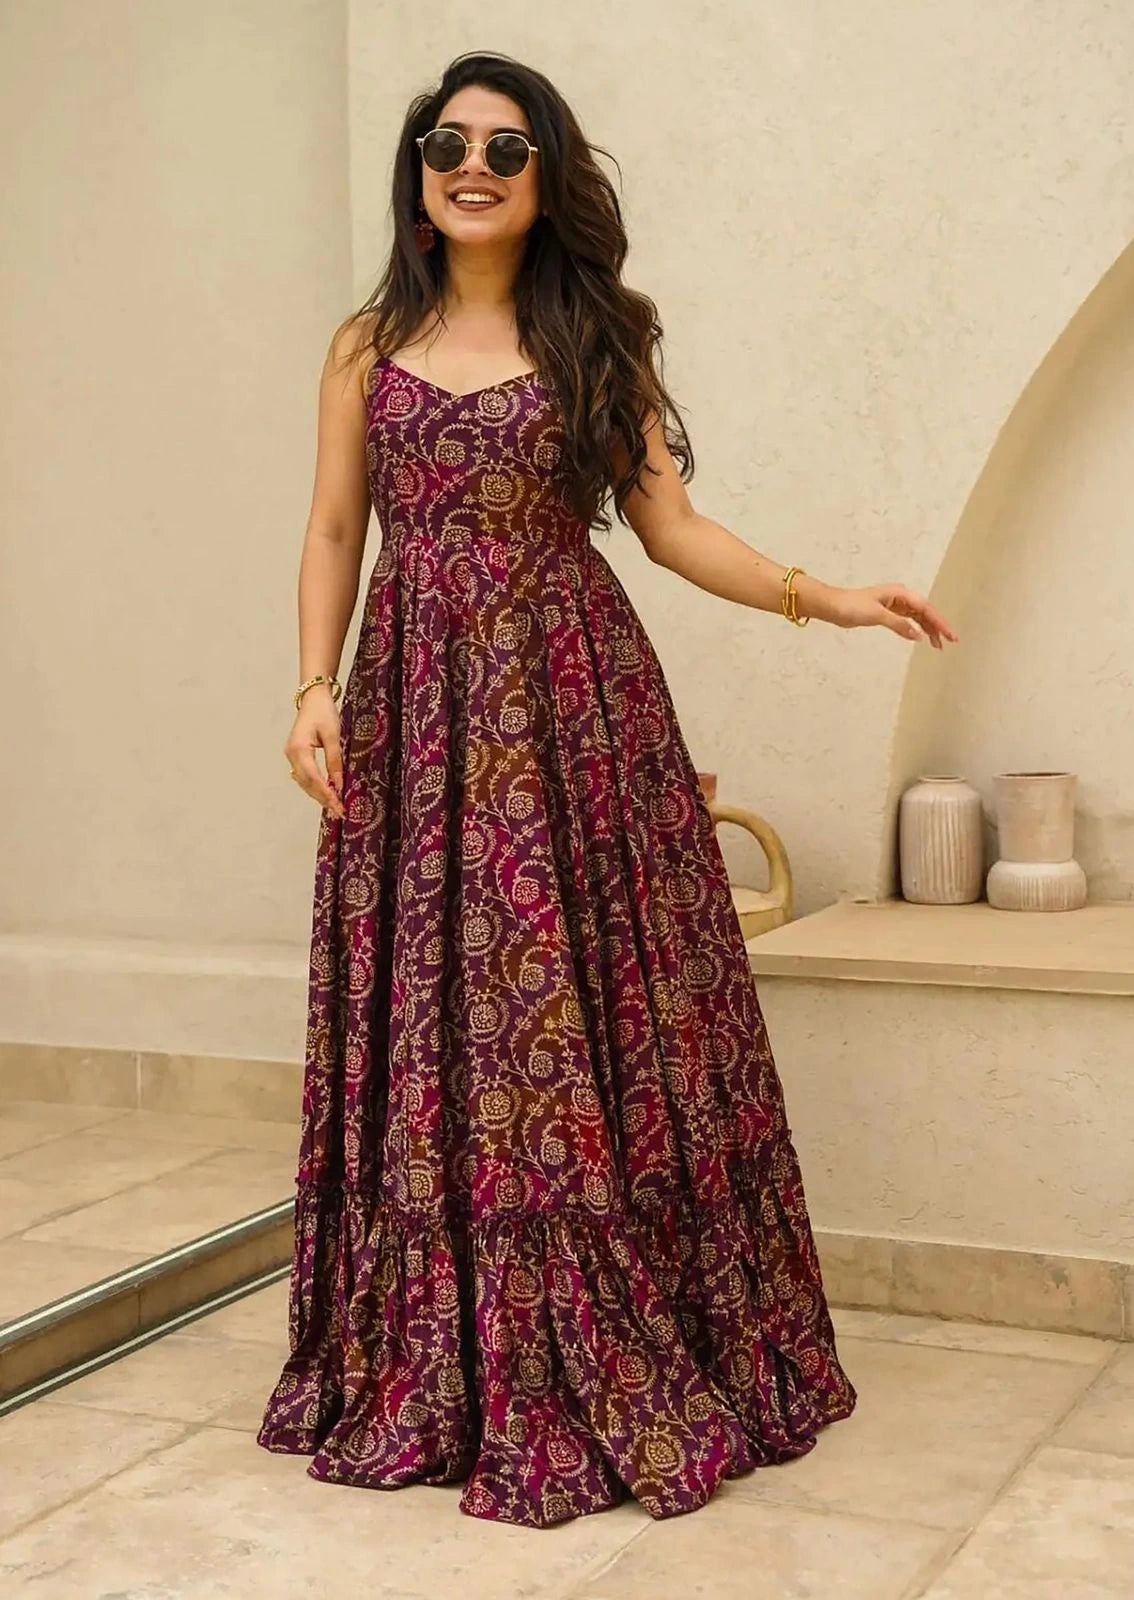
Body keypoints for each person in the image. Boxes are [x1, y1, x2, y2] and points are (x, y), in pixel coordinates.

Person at [256, 50, 957, 1530]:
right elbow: (333, 529)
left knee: (580, 1016)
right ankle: (440, 1352)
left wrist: (827, 596)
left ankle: (604, 1337)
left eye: (507, 149)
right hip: (414, 713)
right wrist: (313, 689)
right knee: (445, 1013)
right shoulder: (365, 344)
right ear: (418, 173)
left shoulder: (596, 334)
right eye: (448, 143)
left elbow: (670, 528)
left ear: (545, 177)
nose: (473, 165)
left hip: (573, 707)